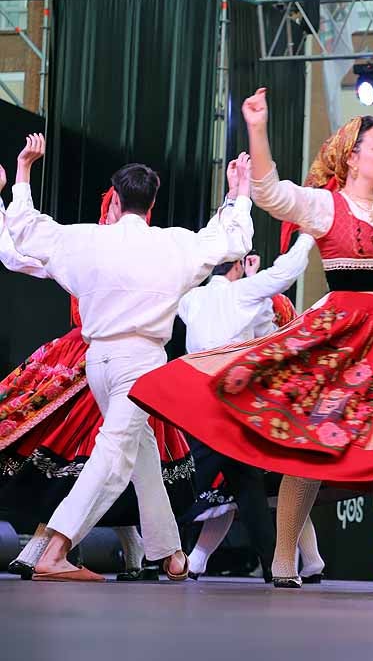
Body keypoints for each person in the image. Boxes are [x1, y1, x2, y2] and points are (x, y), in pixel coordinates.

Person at [129, 89, 373, 589]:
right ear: (353, 156)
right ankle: (283, 558)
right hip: (340, 341)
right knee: (310, 444)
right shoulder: (327, 206)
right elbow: (271, 193)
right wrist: (257, 129)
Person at [5, 134, 254, 582]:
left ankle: (170, 552)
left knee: (138, 454)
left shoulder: (86, 241)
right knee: (115, 456)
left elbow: (24, 228)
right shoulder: (174, 245)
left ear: (115, 199)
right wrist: (239, 193)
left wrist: (24, 168)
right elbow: (232, 239)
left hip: (97, 362)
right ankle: (56, 548)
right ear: (152, 201)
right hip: (140, 364)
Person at [176, 158, 316, 581]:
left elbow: (257, 328)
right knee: (225, 480)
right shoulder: (243, 295)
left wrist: (232, 198)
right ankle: (162, 550)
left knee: (233, 480)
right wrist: (309, 235)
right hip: (230, 397)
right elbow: (288, 272)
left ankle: (273, 562)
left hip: (194, 393)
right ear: (237, 266)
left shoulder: (193, 298)